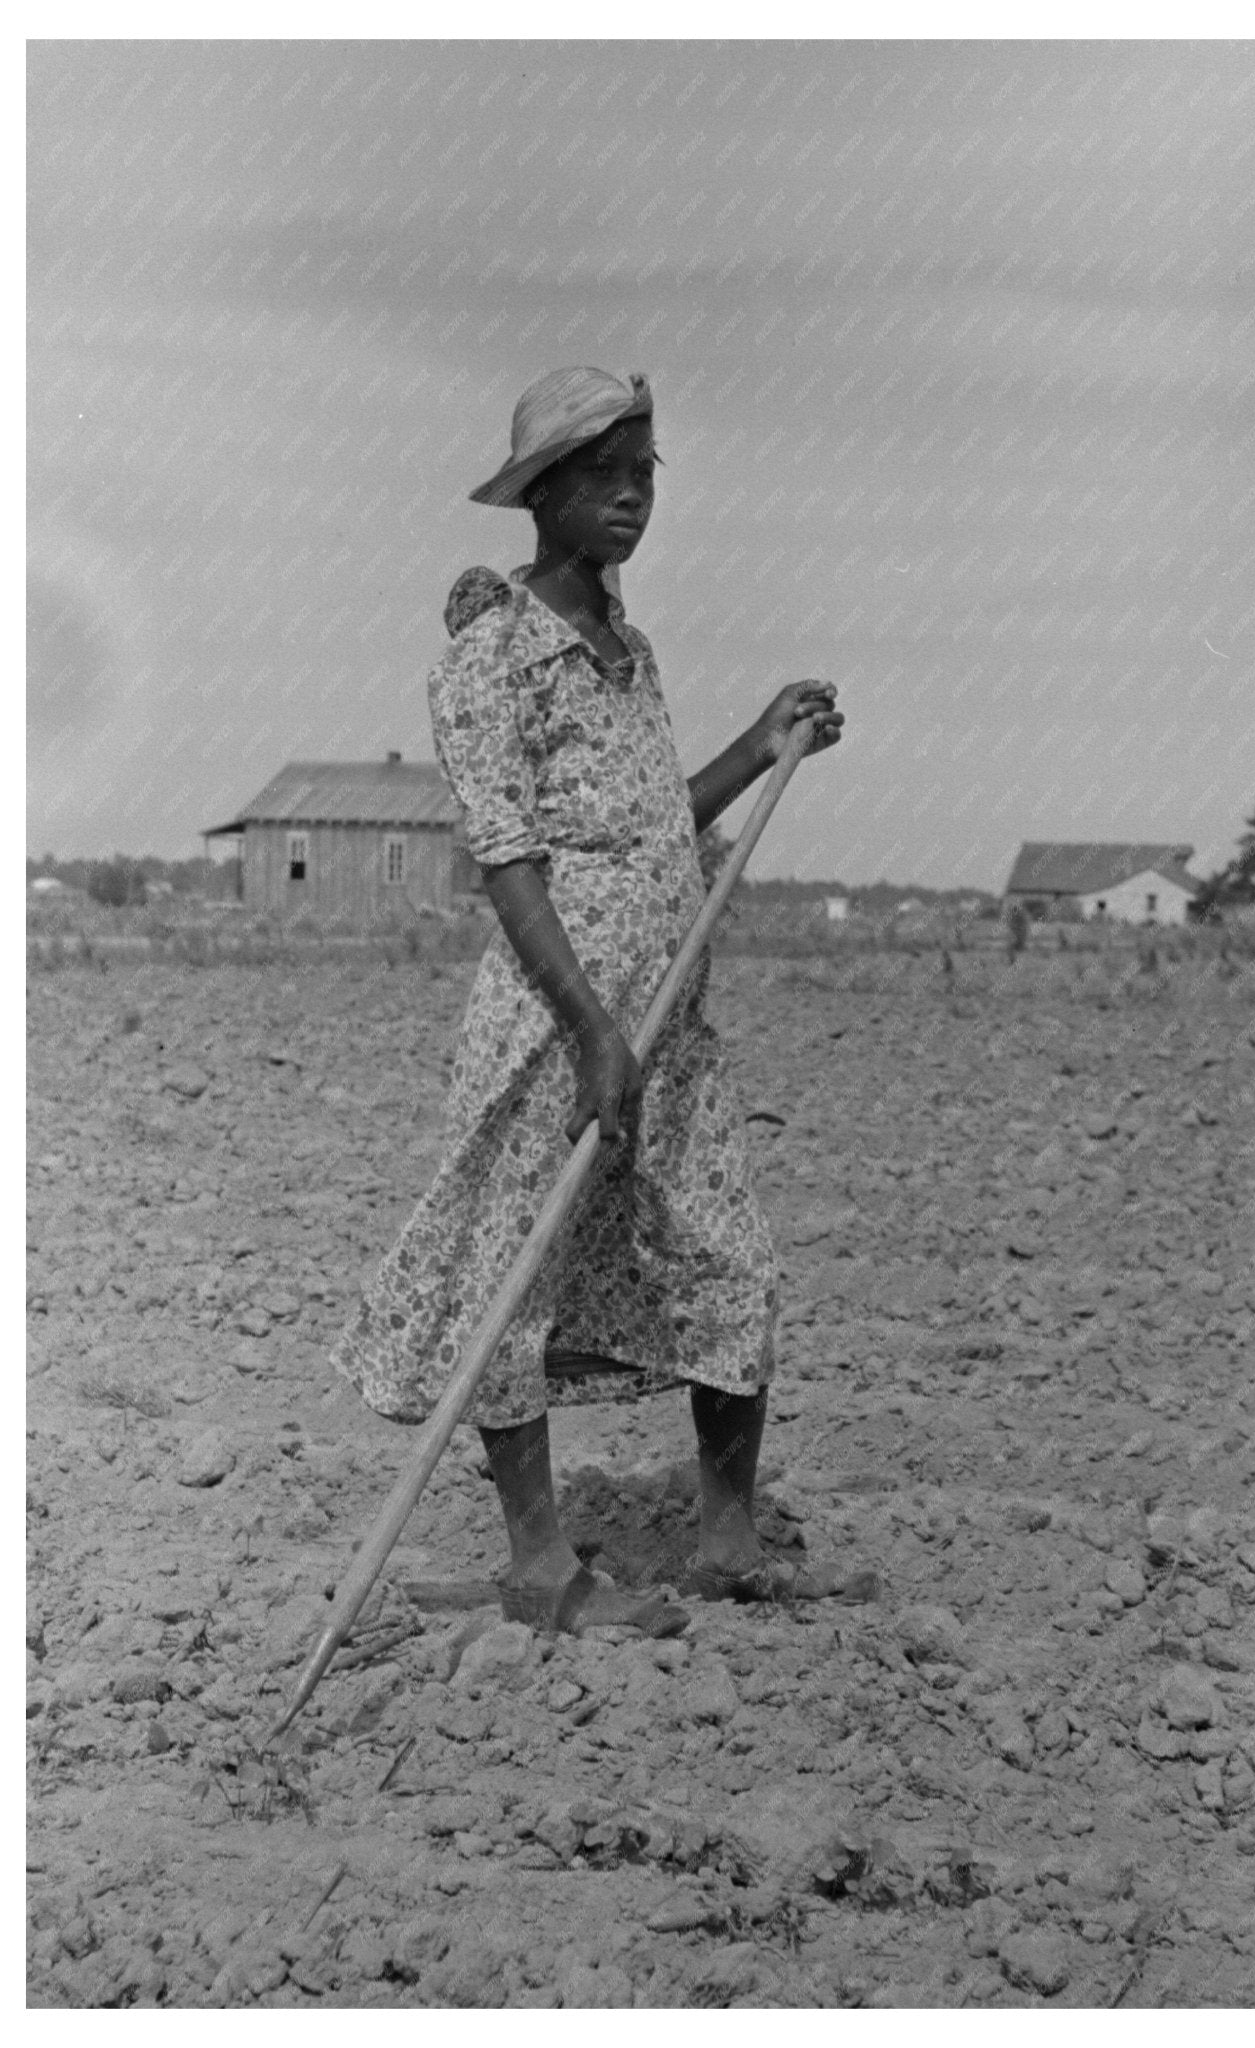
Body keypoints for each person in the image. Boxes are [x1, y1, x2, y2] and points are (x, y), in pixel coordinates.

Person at [331, 366, 843, 1633]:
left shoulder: (629, 650)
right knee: (519, 1280)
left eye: (646, 472)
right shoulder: (491, 655)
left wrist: (762, 740)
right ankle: (540, 1566)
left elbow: (649, 825)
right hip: (557, 1030)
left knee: (725, 1264)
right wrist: (593, 1033)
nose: (630, 496)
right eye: (603, 474)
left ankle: (727, 1542)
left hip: (666, 1026)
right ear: (541, 492)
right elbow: (509, 864)